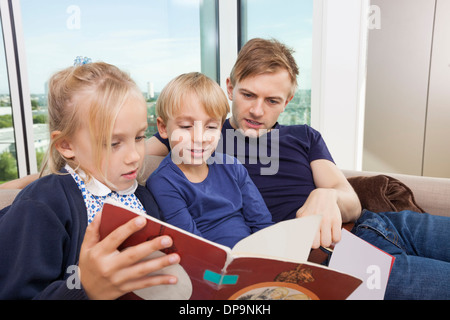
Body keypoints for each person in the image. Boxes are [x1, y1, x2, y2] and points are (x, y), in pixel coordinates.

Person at [148, 38, 450, 300]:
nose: (256, 110)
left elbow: (352, 203)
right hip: (335, 259)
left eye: (272, 100)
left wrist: (328, 196)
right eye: (248, 95)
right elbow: (128, 148)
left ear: (288, 101)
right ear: (230, 88)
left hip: (384, 225)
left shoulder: (304, 136)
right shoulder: (203, 137)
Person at [0, 61, 180, 299]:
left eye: (139, 137)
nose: (135, 156)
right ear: (66, 145)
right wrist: (86, 289)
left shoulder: (143, 197)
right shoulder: (42, 205)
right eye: (113, 143)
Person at [146, 72, 273, 248]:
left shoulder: (233, 167)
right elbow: (192, 245)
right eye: (185, 127)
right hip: (210, 268)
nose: (200, 137)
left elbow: (263, 224)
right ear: (163, 128)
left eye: (211, 127)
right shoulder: (163, 182)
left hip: (254, 256)